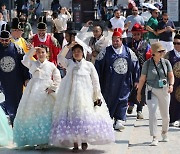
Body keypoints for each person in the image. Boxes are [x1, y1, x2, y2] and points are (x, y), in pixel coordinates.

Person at [50, 43, 114, 152]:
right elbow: (59, 57)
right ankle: (75, 143)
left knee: (84, 116)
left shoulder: (89, 65)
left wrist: (97, 95)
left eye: (79, 51)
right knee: (72, 115)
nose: (76, 53)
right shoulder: (69, 63)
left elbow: (95, 80)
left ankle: (84, 140)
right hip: (70, 95)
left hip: (86, 95)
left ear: (83, 53)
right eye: (74, 52)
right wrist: (68, 47)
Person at [13, 45, 61, 149]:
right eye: (39, 53)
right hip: (33, 90)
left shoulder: (51, 65)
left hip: (46, 91)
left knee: (46, 113)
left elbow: (57, 77)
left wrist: (53, 87)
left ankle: (45, 140)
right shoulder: (33, 63)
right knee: (33, 113)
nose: (41, 54)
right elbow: (25, 59)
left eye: (43, 52)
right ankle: (36, 138)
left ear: (47, 54)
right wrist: (32, 50)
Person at [95, 28, 140, 131]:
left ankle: (120, 119)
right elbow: (98, 64)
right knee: (109, 100)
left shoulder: (128, 51)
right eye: (113, 40)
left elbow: (135, 65)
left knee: (123, 100)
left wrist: (136, 79)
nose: (115, 42)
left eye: (117, 40)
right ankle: (109, 119)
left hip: (124, 82)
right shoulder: (106, 51)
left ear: (121, 40)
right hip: (109, 83)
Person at [137, 42, 174, 146]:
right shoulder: (147, 64)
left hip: (164, 90)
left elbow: (171, 76)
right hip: (151, 90)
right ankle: (154, 136)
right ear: (153, 53)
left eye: (163, 51)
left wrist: (171, 85)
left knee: (165, 114)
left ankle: (164, 132)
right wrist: (139, 92)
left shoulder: (166, 63)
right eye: (160, 51)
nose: (162, 52)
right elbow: (142, 79)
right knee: (152, 112)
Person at [0, 24, 30, 125]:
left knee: (17, 103)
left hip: (15, 80)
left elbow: (23, 65)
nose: (4, 42)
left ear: (10, 39)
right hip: (2, 81)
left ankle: (16, 124)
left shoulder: (17, 49)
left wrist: (26, 78)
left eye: (6, 40)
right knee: (4, 103)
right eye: (2, 40)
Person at [127, 23, 152, 119]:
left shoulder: (146, 44)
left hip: (142, 70)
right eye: (135, 34)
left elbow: (149, 58)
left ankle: (139, 110)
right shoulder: (128, 44)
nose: (136, 36)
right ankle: (131, 104)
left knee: (141, 89)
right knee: (131, 87)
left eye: (138, 34)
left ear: (141, 35)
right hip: (131, 70)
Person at [164, 30, 180, 127]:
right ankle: (173, 118)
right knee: (173, 100)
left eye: (178, 43)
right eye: (174, 43)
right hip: (173, 81)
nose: (176, 45)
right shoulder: (169, 55)